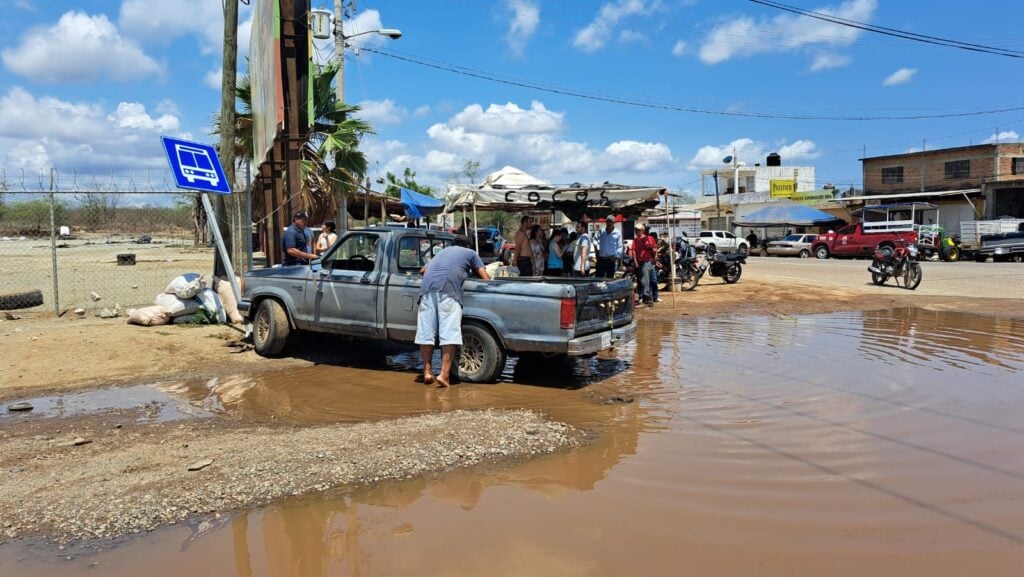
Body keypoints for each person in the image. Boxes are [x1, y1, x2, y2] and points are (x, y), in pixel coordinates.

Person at [416, 237, 491, 388]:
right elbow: (486, 278)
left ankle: (427, 372)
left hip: (426, 291)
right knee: (449, 334)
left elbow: (423, 271)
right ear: (467, 245)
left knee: (426, 333)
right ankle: (444, 375)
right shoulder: (470, 253)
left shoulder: (441, 253)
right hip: (448, 292)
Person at [633, 223, 659, 305]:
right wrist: (635, 261)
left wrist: (655, 256)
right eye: (636, 230)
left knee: (653, 280)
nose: (636, 231)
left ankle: (652, 297)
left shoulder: (650, 238)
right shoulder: (636, 240)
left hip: (650, 261)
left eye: (638, 230)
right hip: (643, 261)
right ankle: (647, 297)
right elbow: (633, 251)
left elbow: (655, 248)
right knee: (645, 280)